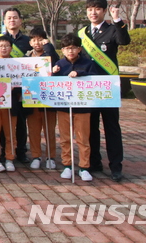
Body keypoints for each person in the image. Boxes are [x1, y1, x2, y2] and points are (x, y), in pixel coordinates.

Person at [79, 0, 130, 182]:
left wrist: (118, 20)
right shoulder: (82, 33)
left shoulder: (112, 30)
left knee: (112, 128)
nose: (93, 12)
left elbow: (124, 41)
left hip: (108, 87)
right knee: (91, 127)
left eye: (98, 9)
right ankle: (94, 162)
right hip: (89, 88)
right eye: (90, 9)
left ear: (104, 11)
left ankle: (116, 166)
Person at [0, 8, 35, 164]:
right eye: (9, 18)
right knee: (0, 125)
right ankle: (1, 153)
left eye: (15, 17)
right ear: (4, 21)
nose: (12, 20)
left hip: (20, 91)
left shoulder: (28, 41)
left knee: (20, 123)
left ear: (20, 20)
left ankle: (20, 152)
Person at [53, 34, 98, 182]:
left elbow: (95, 79)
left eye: (73, 48)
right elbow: (49, 84)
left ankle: (84, 167)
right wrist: (52, 73)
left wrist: (80, 74)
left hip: (83, 108)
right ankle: (67, 165)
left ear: (79, 49)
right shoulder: (59, 65)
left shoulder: (88, 63)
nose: (70, 51)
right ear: (62, 50)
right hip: (64, 107)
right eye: (67, 48)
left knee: (83, 138)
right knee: (65, 138)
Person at [26, 28, 60, 170]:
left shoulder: (51, 55)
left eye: (40, 39)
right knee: (33, 130)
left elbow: (56, 61)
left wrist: (49, 46)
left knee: (49, 130)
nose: (37, 43)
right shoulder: (26, 58)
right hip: (31, 98)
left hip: (49, 98)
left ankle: (51, 157)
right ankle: (36, 156)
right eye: (34, 40)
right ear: (30, 42)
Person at [0, 36, 18, 173]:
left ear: (11, 48)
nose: (4, 48)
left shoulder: (18, 64)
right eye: (1, 46)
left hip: (11, 104)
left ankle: (10, 158)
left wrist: (15, 86)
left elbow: (26, 82)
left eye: (6, 45)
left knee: (10, 133)